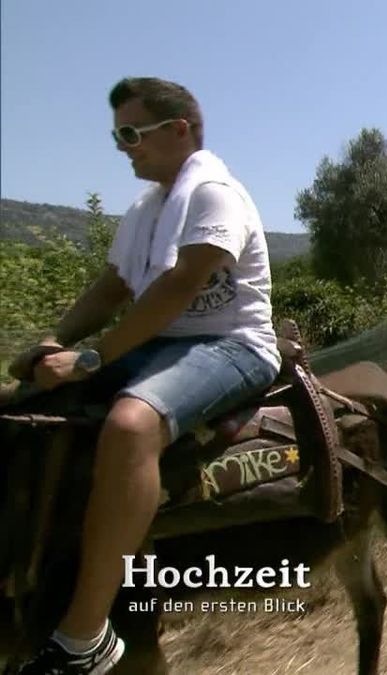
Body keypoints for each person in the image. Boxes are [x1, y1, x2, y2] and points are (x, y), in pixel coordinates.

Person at [8, 77, 281, 675]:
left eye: (131, 133)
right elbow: (112, 288)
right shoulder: (145, 208)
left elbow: (178, 286)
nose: (122, 146)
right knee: (20, 404)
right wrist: (54, 341)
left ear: (179, 130)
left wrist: (90, 360)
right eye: (117, 136)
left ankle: (84, 638)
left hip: (232, 344)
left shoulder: (214, 194)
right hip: (159, 344)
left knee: (132, 426)